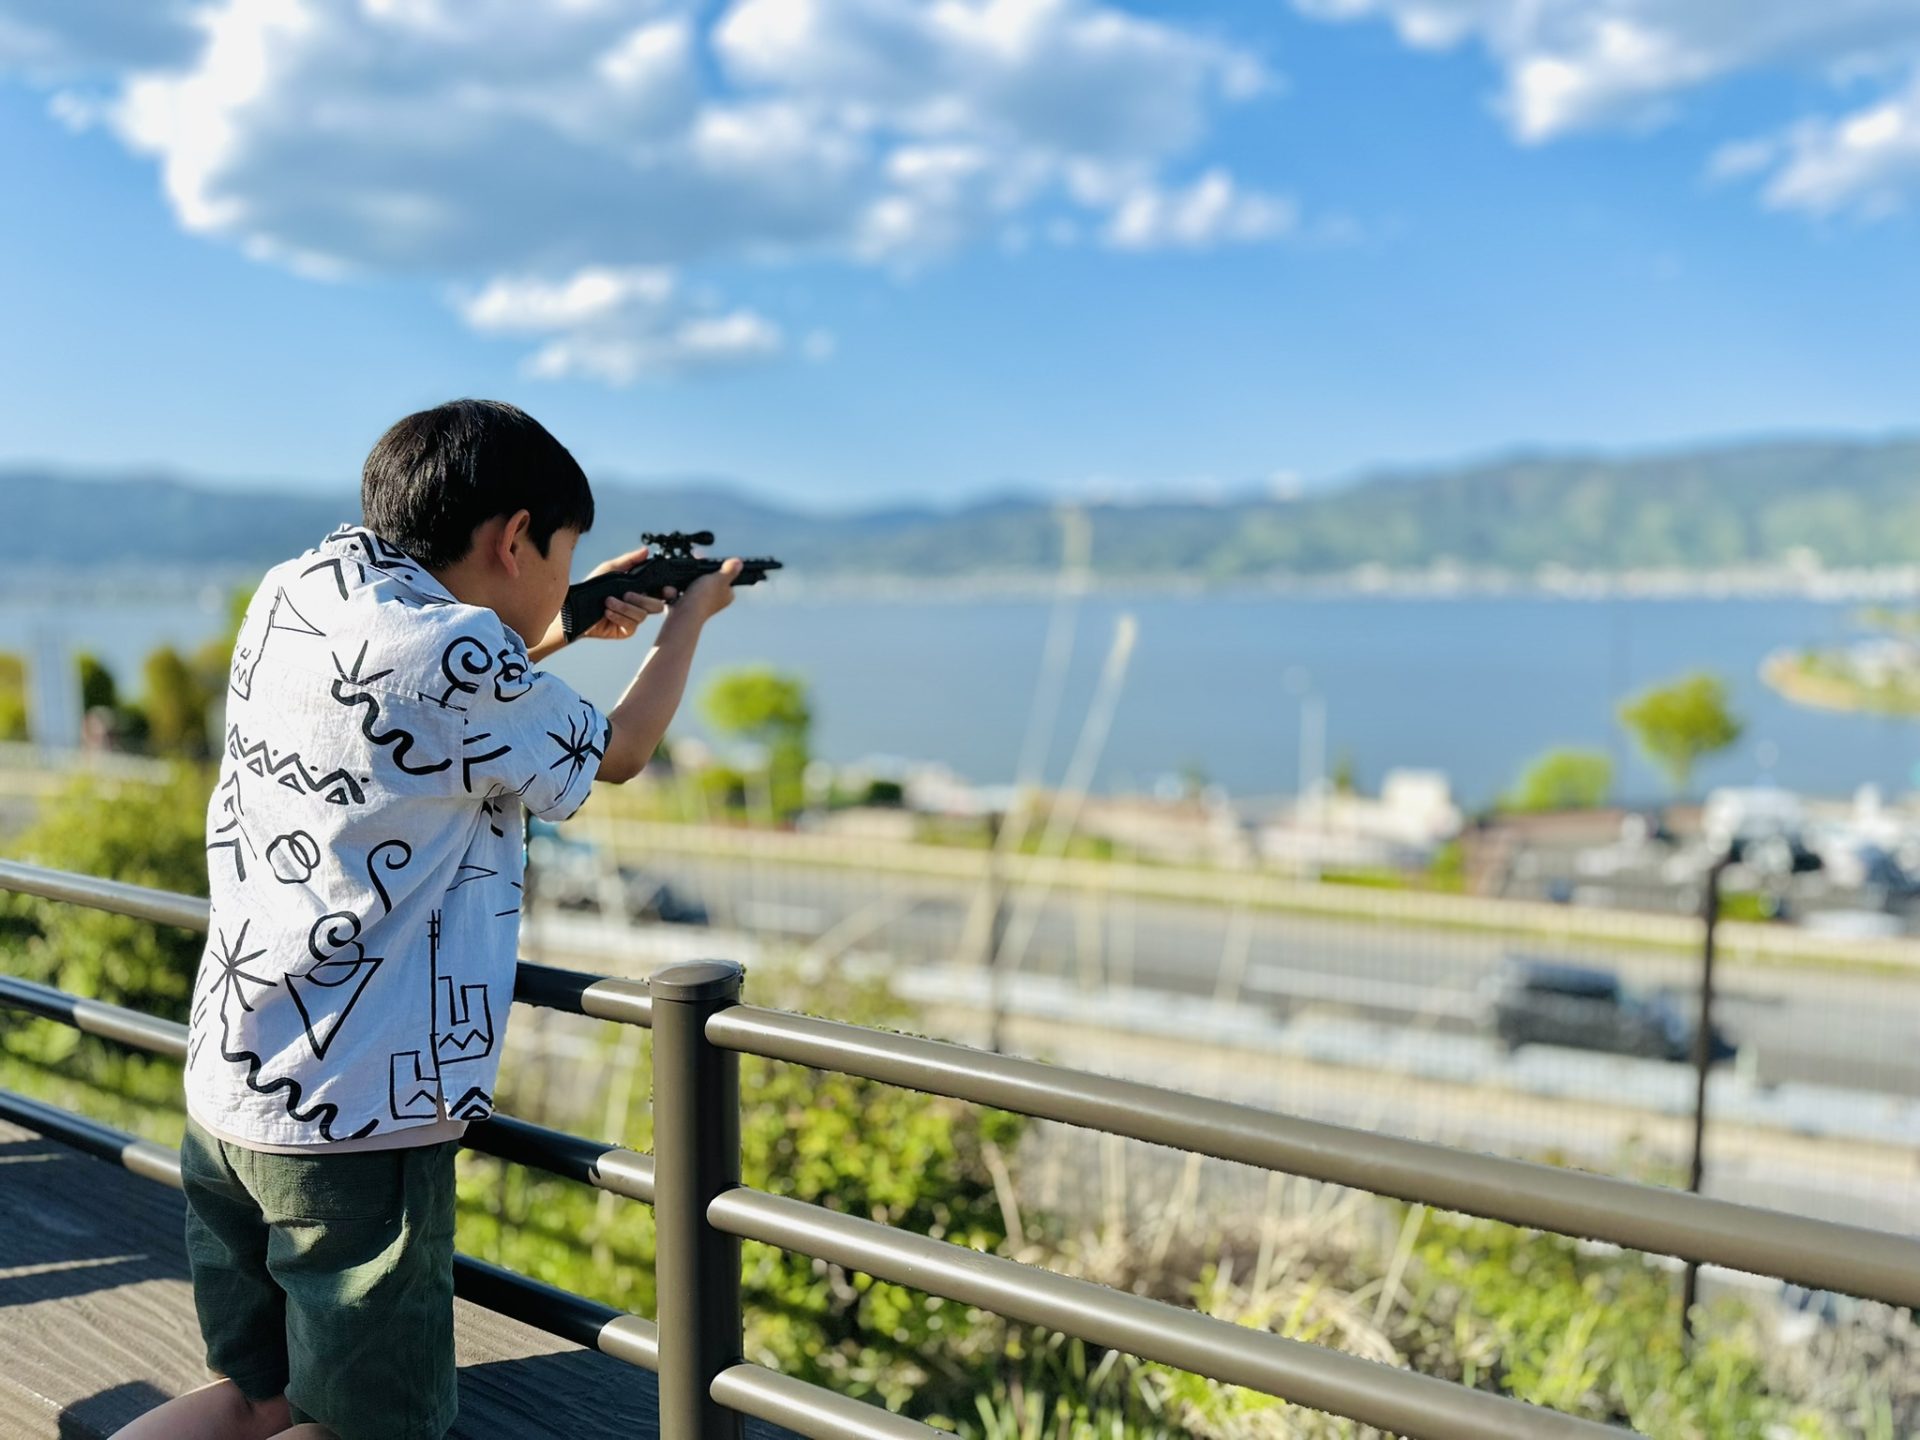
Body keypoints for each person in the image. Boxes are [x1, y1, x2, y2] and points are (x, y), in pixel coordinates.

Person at [116, 398, 743, 1440]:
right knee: (369, 1427)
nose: (556, 582)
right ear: (512, 539)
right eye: (559, 557)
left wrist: (575, 611)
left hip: (228, 1089)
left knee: (252, 1398)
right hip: (354, 1122)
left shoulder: (302, 590)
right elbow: (618, 750)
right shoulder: (457, 653)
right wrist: (687, 623)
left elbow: (423, 701)